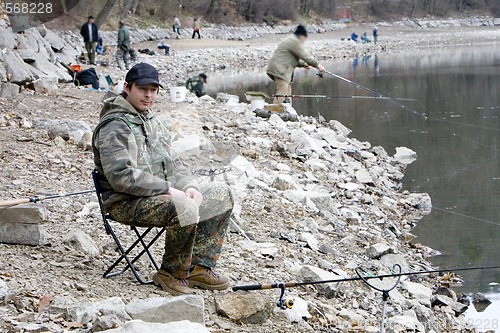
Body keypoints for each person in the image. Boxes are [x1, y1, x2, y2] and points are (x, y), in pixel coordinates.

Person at [92, 63, 234, 296]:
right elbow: (121, 177)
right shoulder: (114, 126)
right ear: (127, 88)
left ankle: (199, 267)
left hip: (156, 196)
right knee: (183, 206)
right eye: (142, 89)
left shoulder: (151, 121)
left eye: (153, 90)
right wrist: (168, 189)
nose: (148, 95)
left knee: (221, 194)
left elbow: (173, 163)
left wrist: (189, 185)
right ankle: (170, 273)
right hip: (124, 201)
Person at [266, 25, 325, 104]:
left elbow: (289, 59)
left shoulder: (291, 40)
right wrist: (318, 65)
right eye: (304, 38)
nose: (304, 40)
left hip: (280, 68)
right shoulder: (293, 41)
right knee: (282, 91)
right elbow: (304, 56)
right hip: (279, 69)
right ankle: (274, 111)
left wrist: (303, 64)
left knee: (288, 91)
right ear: (301, 36)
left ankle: (288, 111)